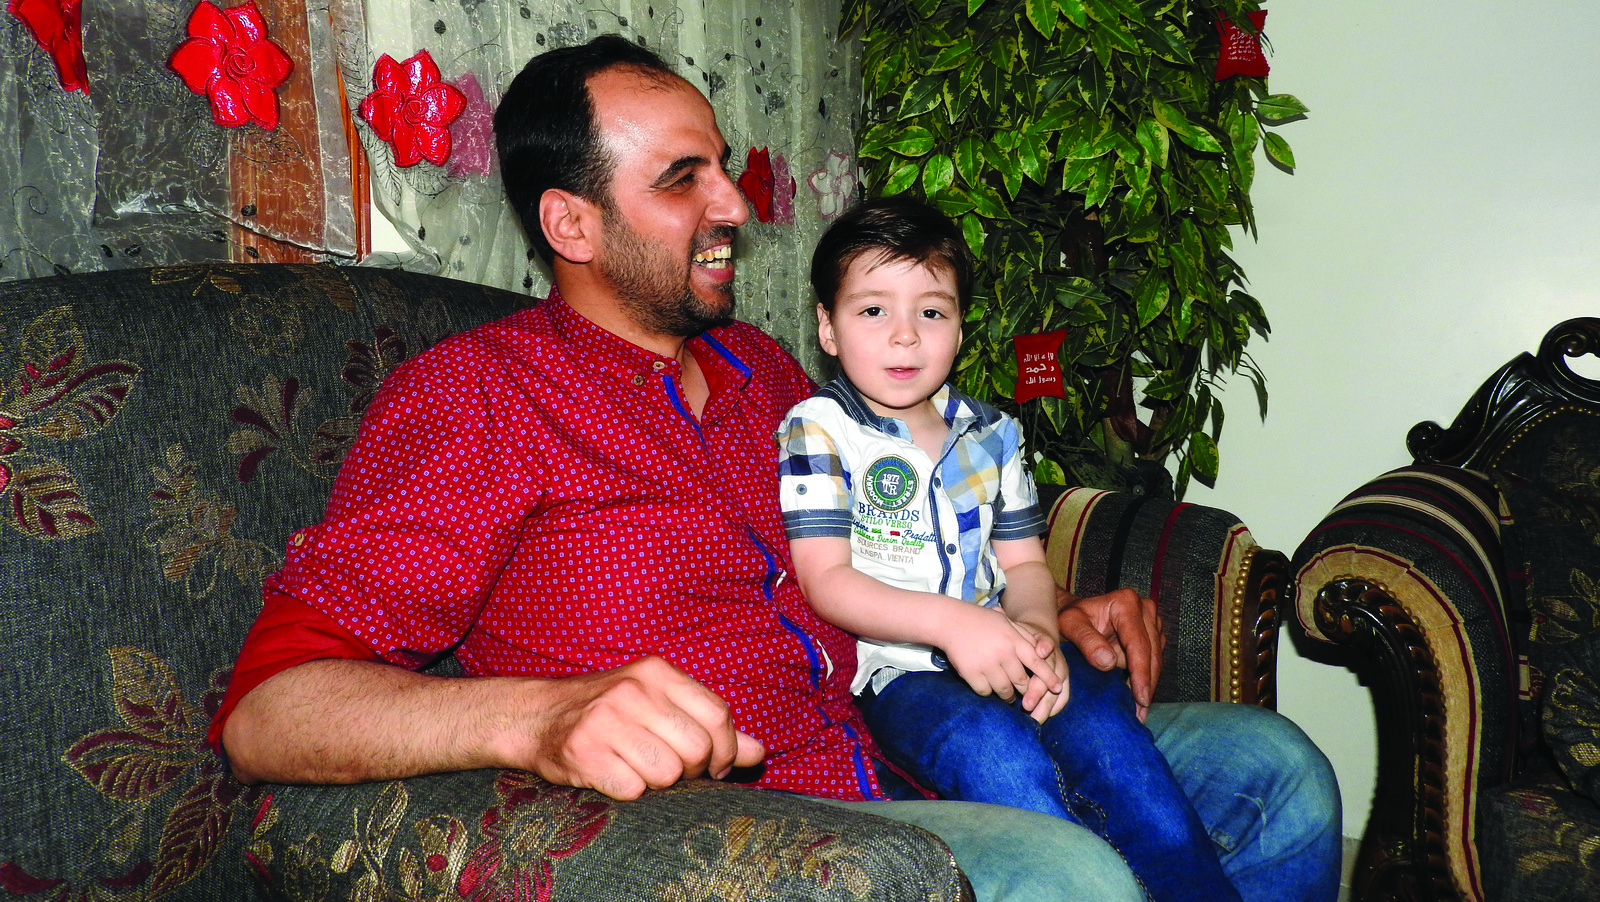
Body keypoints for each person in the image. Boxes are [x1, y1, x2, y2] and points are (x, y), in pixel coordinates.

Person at [210, 34, 1341, 901]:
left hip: (917, 726)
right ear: (572, 223)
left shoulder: (764, 369)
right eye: (682, 179)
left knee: (1275, 766)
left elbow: (898, 528)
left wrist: (1029, 613)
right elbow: (268, 712)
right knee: (1066, 875)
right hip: (770, 829)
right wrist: (539, 719)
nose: (735, 206)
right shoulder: (478, 397)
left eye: (723, 167)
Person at [779, 196, 1241, 902]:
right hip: (903, 675)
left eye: (931, 312)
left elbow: (1025, 563)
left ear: (961, 327)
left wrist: (1037, 632)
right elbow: (827, 580)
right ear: (828, 328)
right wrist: (952, 624)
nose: (905, 336)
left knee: (1119, 751)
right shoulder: (819, 429)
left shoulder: (993, 435)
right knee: (996, 758)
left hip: (1013, 644)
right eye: (873, 310)